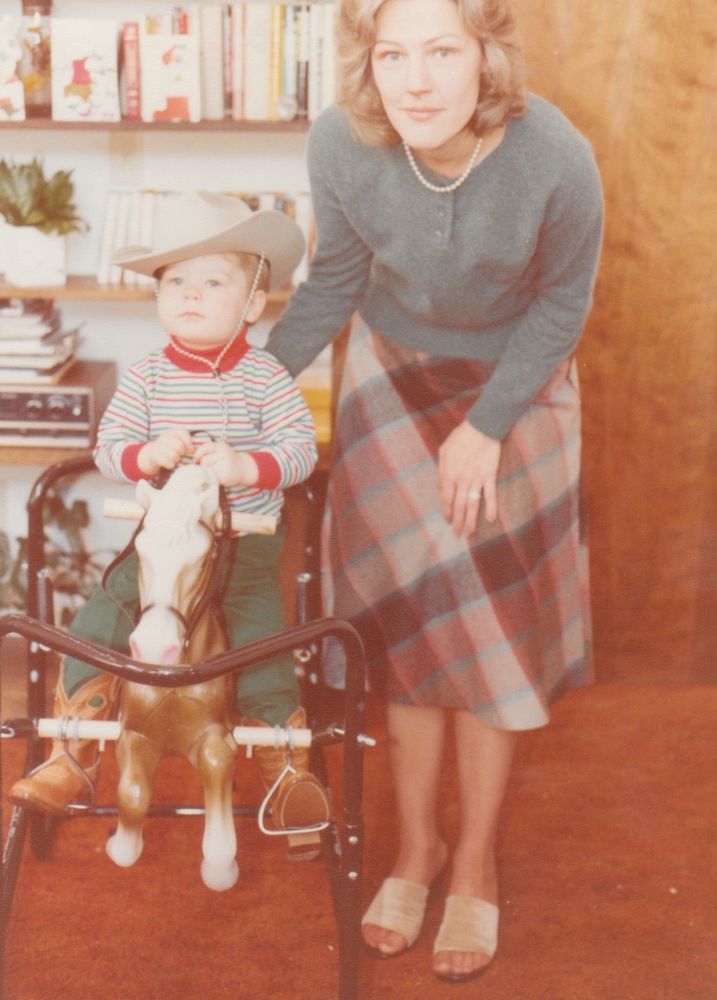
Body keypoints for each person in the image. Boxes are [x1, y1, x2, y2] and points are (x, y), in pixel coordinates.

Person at [266, 0, 603, 981]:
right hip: (391, 365)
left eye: (443, 51)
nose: (414, 80)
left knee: (486, 626)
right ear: (367, 61)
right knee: (409, 622)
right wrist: (248, 391)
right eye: (393, 53)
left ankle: (476, 860)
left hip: (519, 380)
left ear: (486, 55)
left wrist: (487, 427)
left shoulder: (556, 158)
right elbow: (331, 282)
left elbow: (562, 305)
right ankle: (416, 846)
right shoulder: (340, 142)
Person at [11, 192, 332, 856]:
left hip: (238, 550)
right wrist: (145, 454)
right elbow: (109, 446)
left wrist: (246, 466)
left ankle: (284, 775)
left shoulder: (265, 378)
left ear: (250, 303)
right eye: (175, 282)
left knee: (261, 644)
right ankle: (74, 752)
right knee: (97, 622)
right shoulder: (148, 377)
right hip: (158, 551)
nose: (190, 294)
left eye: (212, 282)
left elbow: (301, 452)